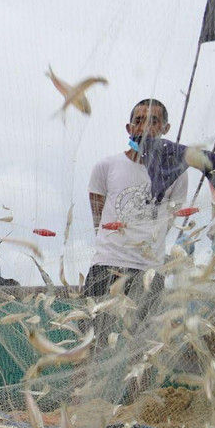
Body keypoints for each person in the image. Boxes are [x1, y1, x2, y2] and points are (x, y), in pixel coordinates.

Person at [83, 98, 189, 354]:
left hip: (149, 271)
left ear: (165, 128)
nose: (144, 128)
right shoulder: (106, 167)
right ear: (129, 128)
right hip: (106, 265)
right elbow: (98, 218)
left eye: (154, 121)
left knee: (144, 349)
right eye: (139, 121)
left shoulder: (177, 174)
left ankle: (139, 383)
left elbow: (169, 220)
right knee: (92, 343)